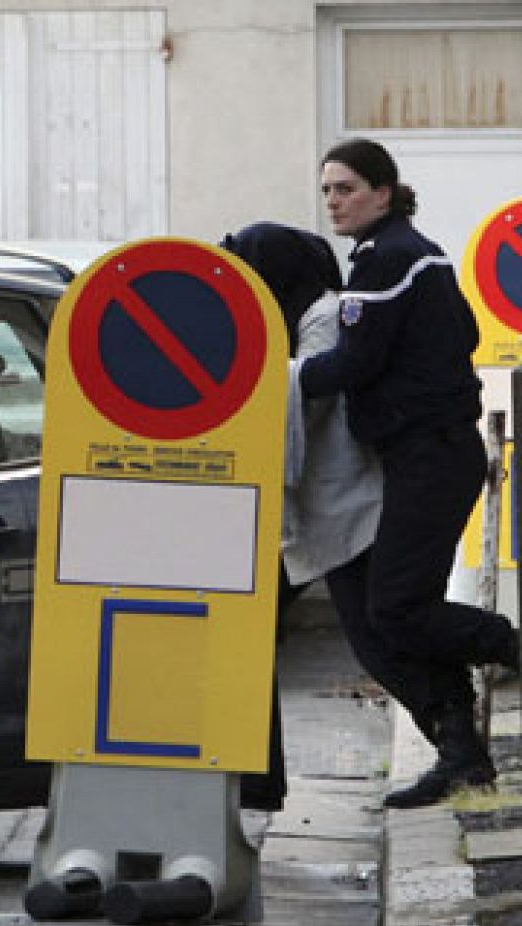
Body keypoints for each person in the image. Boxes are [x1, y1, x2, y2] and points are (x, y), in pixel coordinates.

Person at [298, 138, 519, 809]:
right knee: (389, 613)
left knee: (395, 607)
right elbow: (466, 335)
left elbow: (355, 363)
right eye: (328, 190)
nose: (333, 201)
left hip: (430, 454)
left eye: (347, 189)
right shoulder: (409, 253)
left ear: (383, 193)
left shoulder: (388, 259)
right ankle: (463, 756)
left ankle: (518, 646)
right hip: (428, 453)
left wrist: (276, 381)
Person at [224, 221, 383, 812]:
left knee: (380, 634)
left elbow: (307, 394)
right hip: (317, 507)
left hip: (340, 503)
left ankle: (464, 730)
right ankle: (256, 777)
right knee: (262, 628)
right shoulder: (308, 314)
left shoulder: (322, 317)